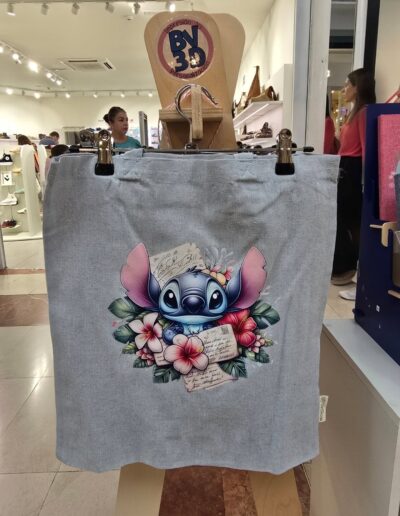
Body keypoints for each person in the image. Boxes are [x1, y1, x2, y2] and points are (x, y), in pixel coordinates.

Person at [331, 68, 376, 292]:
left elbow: (367, 148)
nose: (344, 89)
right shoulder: (354, 113)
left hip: (352, 170)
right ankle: (345, 266)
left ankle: (347, 267)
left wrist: (368, 182)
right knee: (343, 219)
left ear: (358, 87)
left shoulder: (364, 113)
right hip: (346, 168)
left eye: (348, 84)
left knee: (345, 219)